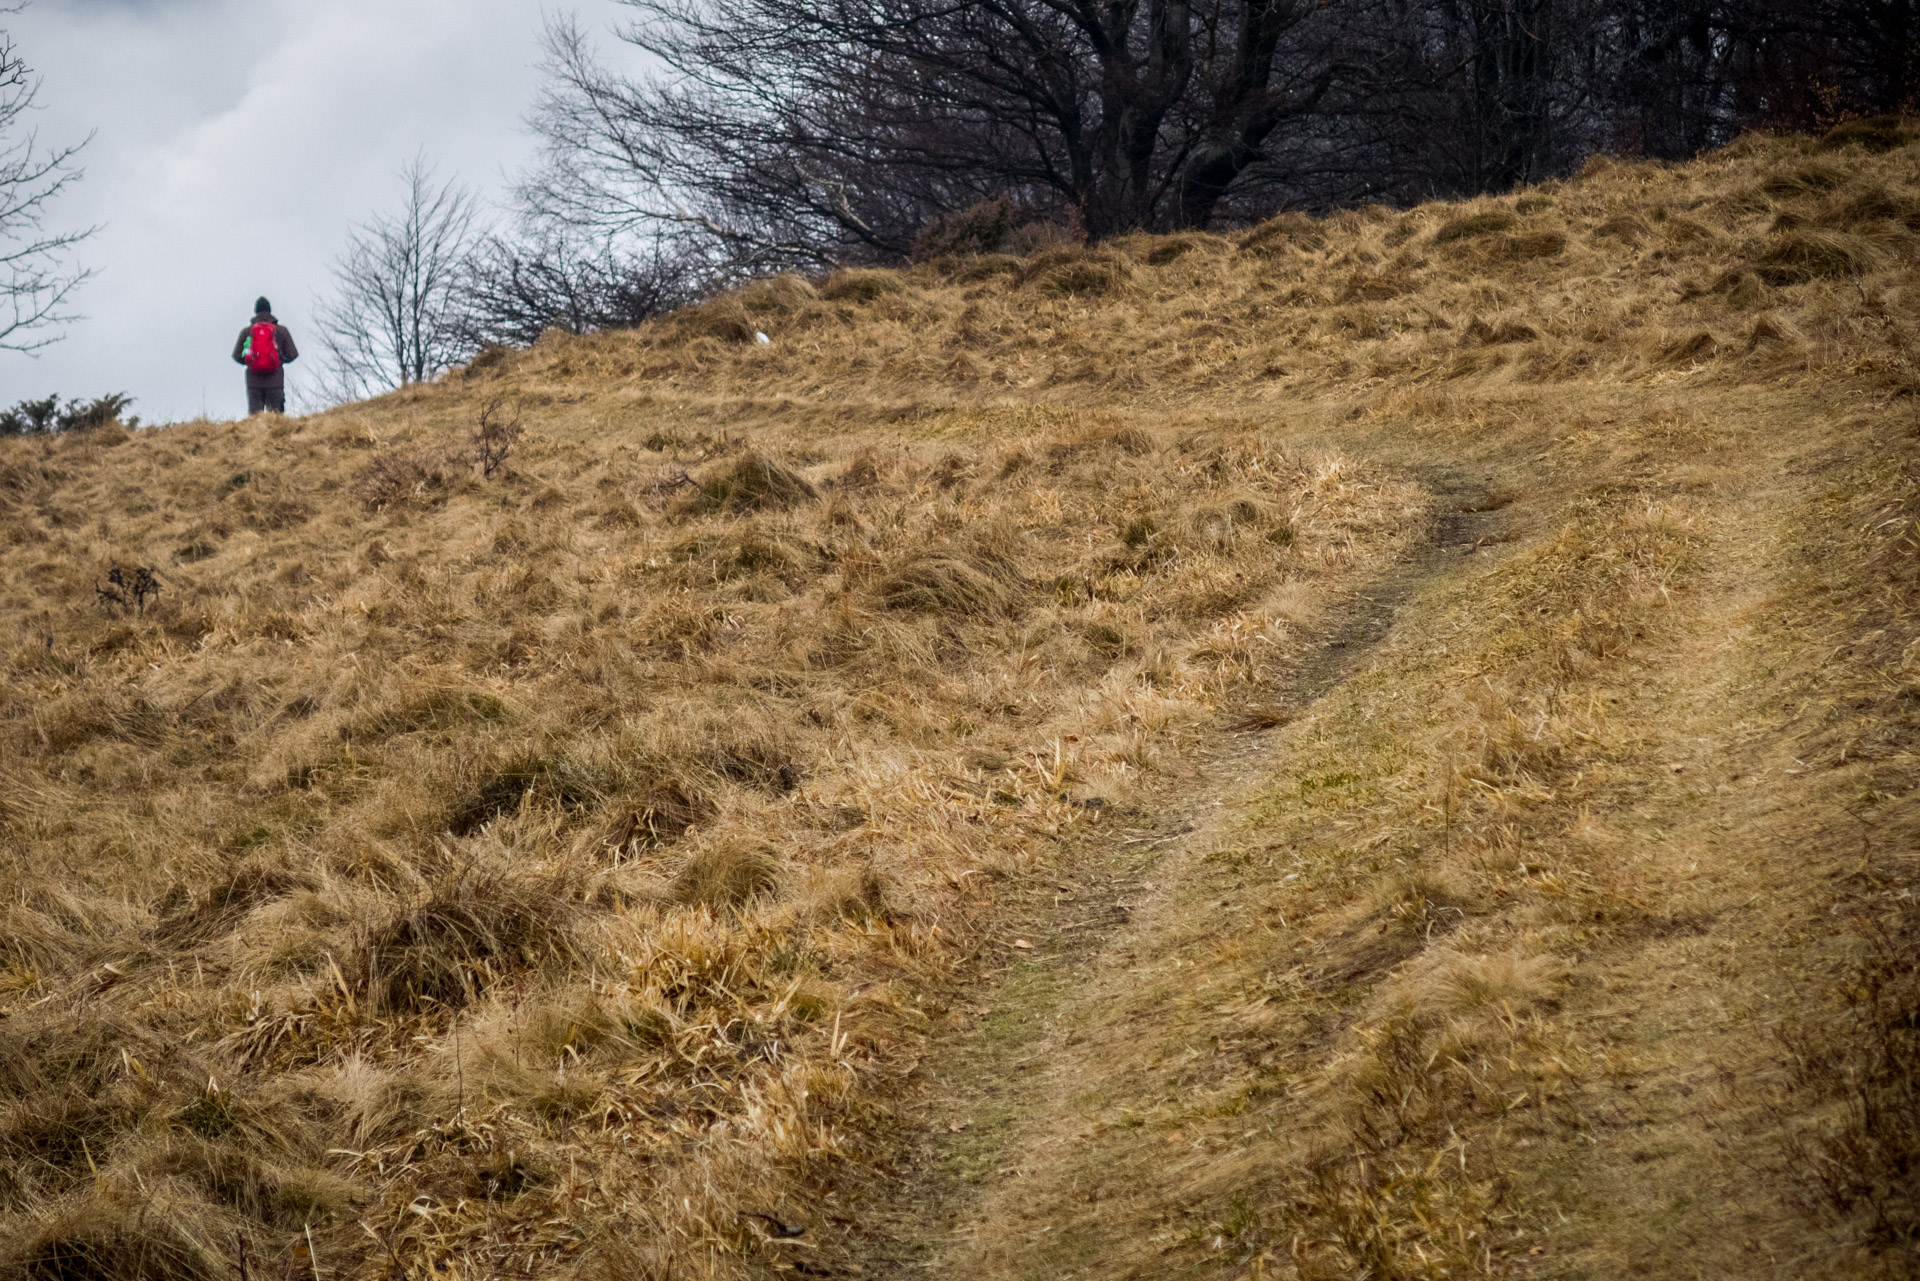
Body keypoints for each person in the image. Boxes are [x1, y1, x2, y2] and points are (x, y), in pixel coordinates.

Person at [231, 297, 299, 416]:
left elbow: (236, 355)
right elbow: (292, 354)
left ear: (255, 312)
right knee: (276, 421)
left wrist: (250, 362)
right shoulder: (281, 331)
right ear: (270, 311)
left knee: (255, 421)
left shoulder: (247, 332)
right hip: (275, 382)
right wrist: (279, 361)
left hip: (254, 383)